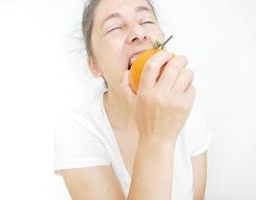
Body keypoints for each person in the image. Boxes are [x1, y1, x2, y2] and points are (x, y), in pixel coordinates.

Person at [53, 0, 212, 199]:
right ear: (94, 65)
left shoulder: (189, 116)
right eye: (115, 27)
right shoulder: (78, 131)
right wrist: (157, 138)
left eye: (146, 21)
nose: (138, 32)